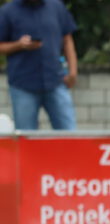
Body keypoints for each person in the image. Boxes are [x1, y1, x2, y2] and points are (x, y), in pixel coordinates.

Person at [0, 0, 78, 130]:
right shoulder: (7, 11)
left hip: (56, 82)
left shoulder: (56, 7)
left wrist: (73, 72)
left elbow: (67, 40)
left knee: (69, 134)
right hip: (23, 85)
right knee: (26, 136)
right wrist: (19, 45)